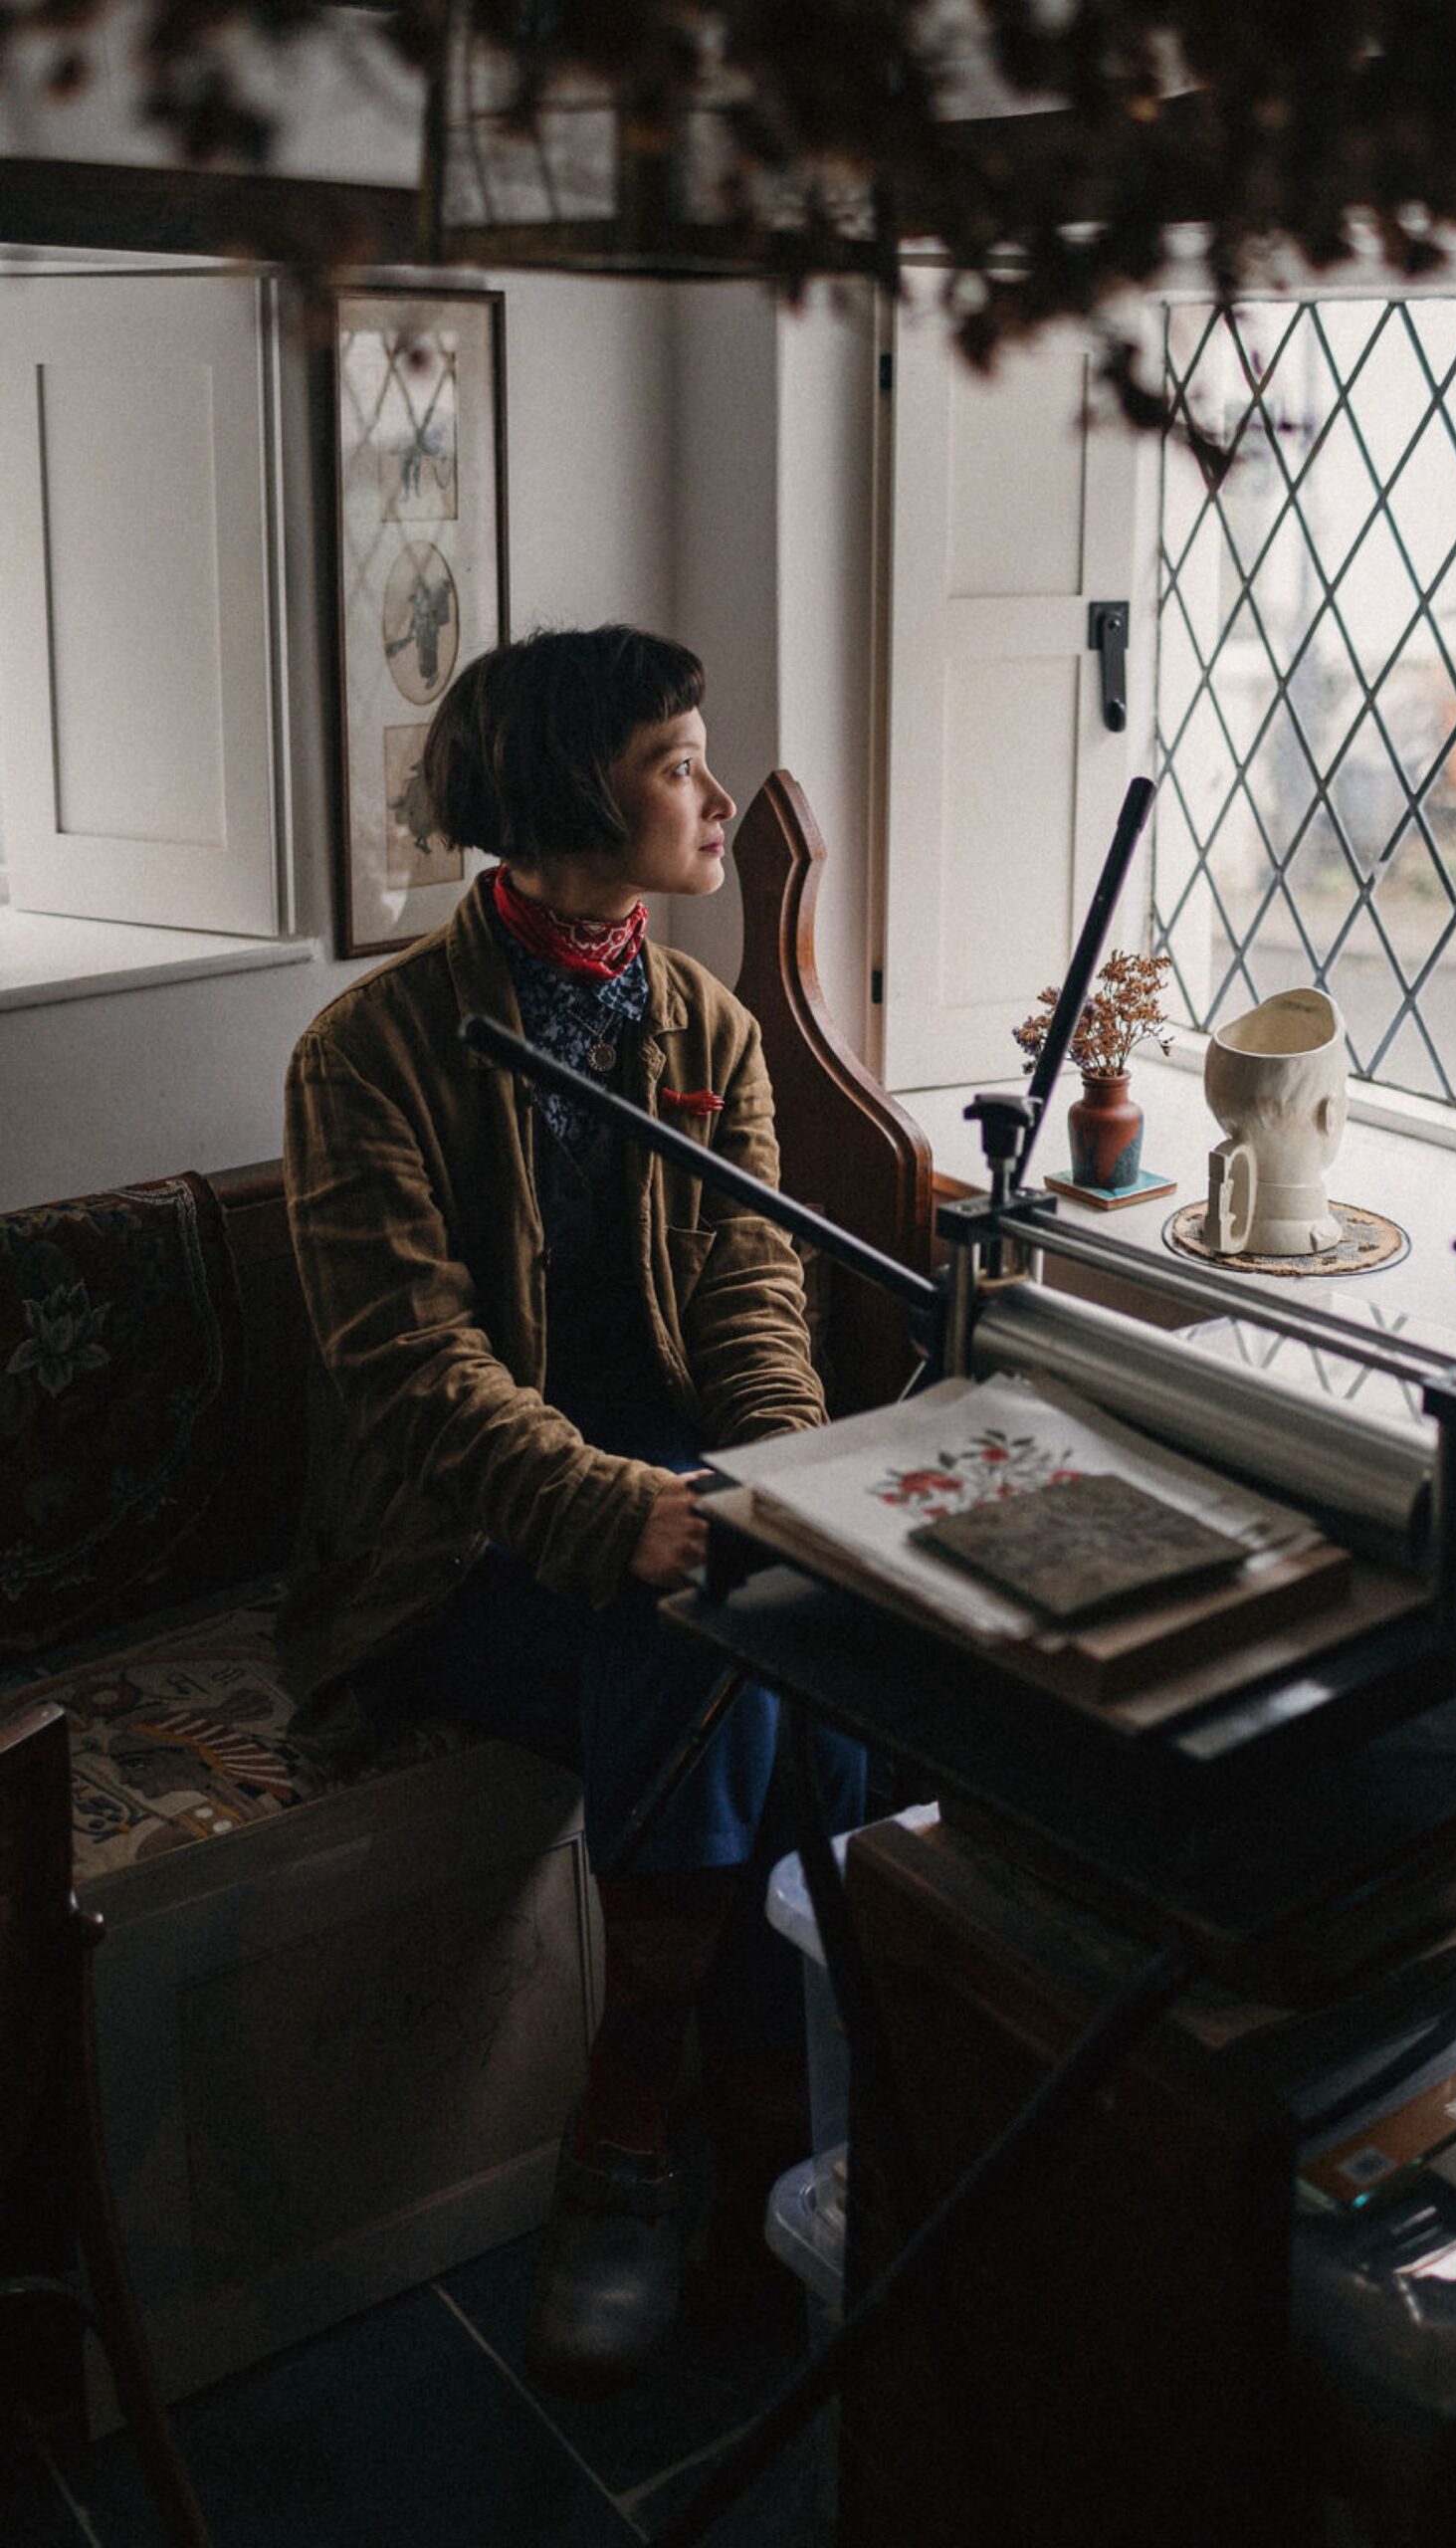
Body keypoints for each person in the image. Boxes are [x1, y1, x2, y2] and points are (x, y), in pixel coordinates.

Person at [280, 624, 866, 2390]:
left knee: (797, 1632)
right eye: (676, 759)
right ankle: (672, 2139)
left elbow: (760, 1284)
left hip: (675, 1523)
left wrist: (775, 1478)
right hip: (460, 1558)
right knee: (705, 1635)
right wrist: (627, 1514)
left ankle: (716, 2140)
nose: (713, 789)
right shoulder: (368, 1053)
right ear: (564, 795)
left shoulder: (704, 1021)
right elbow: (412, 1375)